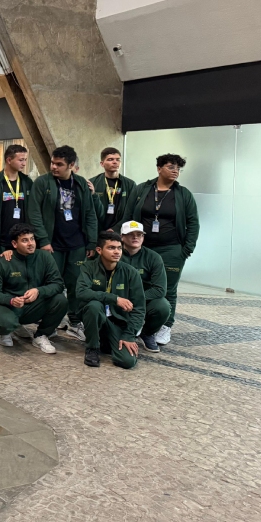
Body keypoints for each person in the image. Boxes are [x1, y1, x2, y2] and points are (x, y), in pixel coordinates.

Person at [122, 154, 198, 346]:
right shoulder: (142, 189)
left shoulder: (183, 194)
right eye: (171, 167)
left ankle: (165, 325)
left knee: (168, 289)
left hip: (171, 249)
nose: (175, 171)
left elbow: (193, 223)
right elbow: (129, 215)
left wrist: (186, 250)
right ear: (159, 168)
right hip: (142, 248)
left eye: (178, 168)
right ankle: (139, 321)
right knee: (138, 284)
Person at [28, 145, 98, 342]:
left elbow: (90, 213)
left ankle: (75, 322)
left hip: (77, 244)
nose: (54, 167)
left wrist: (91, 242)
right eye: (52, 163)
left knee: (76, 284)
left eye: (59, 164)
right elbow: (34, 213)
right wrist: (43, 240)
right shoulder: (42, 182)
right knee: (51, 285)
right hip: (52, 245)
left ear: (71, 165)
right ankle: (49, 323)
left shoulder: (81, 183)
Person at [0, 223, 67, 353]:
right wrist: (11, 300)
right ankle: (5, 331)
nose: (30, 244)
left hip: (33, 306)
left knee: (60, 300)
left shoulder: (45, 257)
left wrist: (39, 291)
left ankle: (41, 335)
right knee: (4, 323)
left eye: (32, 239)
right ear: (14, 244)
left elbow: (58, 284)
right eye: (25, 240)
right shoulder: (4, 262)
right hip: (10, 306)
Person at [77, 231, 145, 369]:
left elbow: (139, 308)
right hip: (97, 317)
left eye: (119, 248)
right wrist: (114, 298)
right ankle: (92, 348)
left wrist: (129, 335)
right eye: (111, 248)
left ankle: (106, 342)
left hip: (118, 322)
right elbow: (81, 292)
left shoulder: (130, 272)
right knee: (94, 306)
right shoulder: (88, 267)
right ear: (99, 250)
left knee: (127, 361)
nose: (117, 252)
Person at [119, 220, 171, 353]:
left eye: (139, 234)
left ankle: (147, 333)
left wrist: (135, 299)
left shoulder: (154, 257)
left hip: (143, 300)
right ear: (122, 237)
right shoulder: (114, 253)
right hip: (118, 299)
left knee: (163, 306)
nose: (135, 237)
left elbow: (160, 289)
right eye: (131, 234)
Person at [90, 147, 136, 233]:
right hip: (98, 230)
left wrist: (117, 228)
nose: (115, 162)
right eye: (110, 159)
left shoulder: (130, 184)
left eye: (118, 159)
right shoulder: (93, 183)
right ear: (102, 163)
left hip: (120, 230)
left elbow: (131, 211)